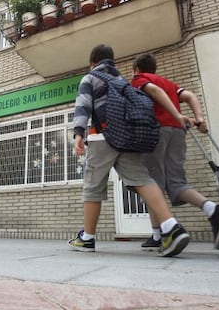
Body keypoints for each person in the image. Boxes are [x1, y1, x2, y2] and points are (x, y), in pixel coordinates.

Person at [68, 44, 191, 257]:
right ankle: (171, 227)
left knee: (92, 185)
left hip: (102, 136)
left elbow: (83, 106)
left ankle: (87, 238)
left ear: (92, 63)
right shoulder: (122, 81)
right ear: (112, 62)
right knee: (143, 179)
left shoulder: (90, 78)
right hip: (127, 137)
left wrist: (78, 134)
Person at [131, 53, 219, 250]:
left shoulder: (139, 80)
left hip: (156, 132)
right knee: (176, 183)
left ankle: (159, 234)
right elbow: (190, 96)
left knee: (152, 185)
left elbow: (153, 91)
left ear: (137, 69)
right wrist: (199, 117)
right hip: (178, 133)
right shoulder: (169, 83)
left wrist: (176, 114)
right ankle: (212, 209)